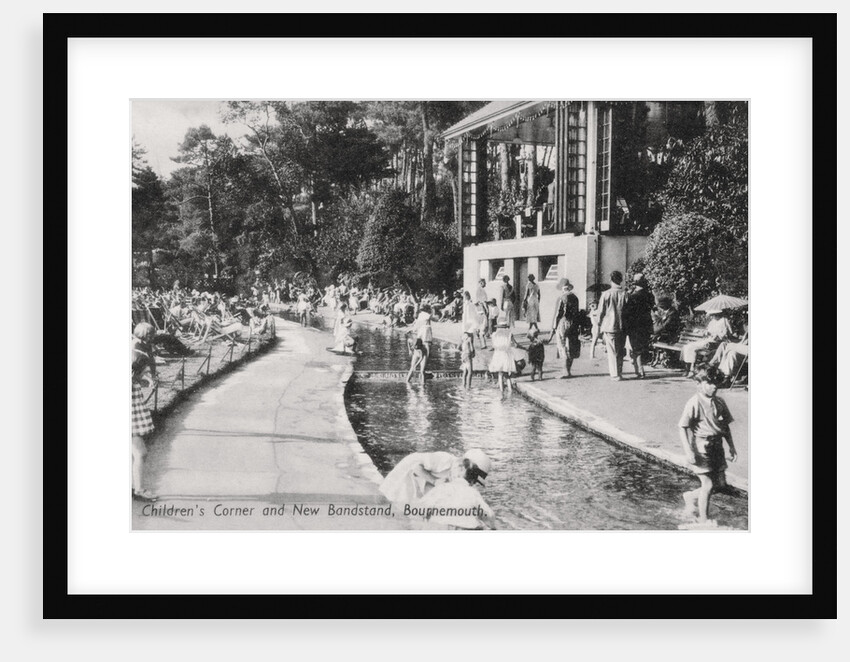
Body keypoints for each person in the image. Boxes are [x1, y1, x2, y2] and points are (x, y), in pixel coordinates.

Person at [379, 449, 494, 529]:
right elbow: (416, 468)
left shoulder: (456, 474)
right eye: (472, 477)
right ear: (465, 468)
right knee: (399, 504)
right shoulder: (445, 459)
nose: (472, 482)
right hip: (405, 475)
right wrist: (434, 481)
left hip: (418, 483)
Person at [679, 366, 737, 523]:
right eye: (710, 383)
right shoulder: (694, 403)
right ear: (699, 383)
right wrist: (688, 451)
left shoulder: (719, 402)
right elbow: (682, 427)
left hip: (717, 447)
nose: (715, 386)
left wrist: (731, 447)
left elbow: (725, 427)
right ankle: (704, 521)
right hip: (700, 448)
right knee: (708, 484)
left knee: (720, 484)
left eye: (716, 383)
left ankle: (690, 496)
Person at [131, 323, 158, 501]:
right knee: (140, 452)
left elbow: (135, 375)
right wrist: (146, 377)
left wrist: (145, 379)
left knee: (136, 452)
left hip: (133, 399)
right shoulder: (135, 351)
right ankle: (139, 490)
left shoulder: (135, 348)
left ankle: (136, 487)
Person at [596, 270, 628, 381]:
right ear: (621, 280)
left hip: (609, 325)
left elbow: (601, 312)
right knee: (620, 350)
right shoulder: (625, 293)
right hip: (623, 325)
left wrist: (598, 323)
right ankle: (620, 372)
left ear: (610, 279)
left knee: (612, 351)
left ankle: (615, 374)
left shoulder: (606, 294)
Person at [682, 310, 734, 377]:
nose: (712, 317)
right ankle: (688, 369)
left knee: (691, 347)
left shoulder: (724, 320)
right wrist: (704, 332)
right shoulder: (712, 322)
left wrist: (718, 335)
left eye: (714, 315)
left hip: (716, 343)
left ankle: (691, 370)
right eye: (712, 315)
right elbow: (708, 331)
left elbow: (728, 333)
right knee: (688, 346)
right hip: (708, 340)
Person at [623, 273, 654, 379]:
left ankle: (640, 371)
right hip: (646, 325)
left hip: (634, 326)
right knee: (641, 348)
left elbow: (627, 312)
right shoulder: (649, 295)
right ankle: (638, 370)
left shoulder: (633, 297)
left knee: (636, 348)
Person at [549, 279, 581, 378]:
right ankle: (569, 370)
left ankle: (565, 372)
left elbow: (558, 314)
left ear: (563, 288)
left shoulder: (562, 298)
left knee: (562, 346)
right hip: (573, 323)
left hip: (563, 322)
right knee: (570, 346)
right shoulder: (575, 297)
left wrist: (553, 329)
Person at [489, 316, 520, 393]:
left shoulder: (494, 335)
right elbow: (515, 344)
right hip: (506, 354)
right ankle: (510, 390)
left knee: (500, 374)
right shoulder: (509, 334)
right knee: (507, 374)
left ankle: (501, 391)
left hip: (498, 355)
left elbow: (493, 346)